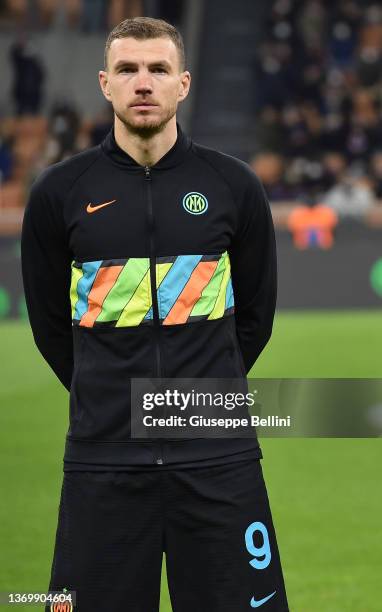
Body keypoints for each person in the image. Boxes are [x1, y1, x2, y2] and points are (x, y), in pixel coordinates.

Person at [21, 16, 289, 612]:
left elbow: (256, 318)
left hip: (219, 462)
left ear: (184, 84)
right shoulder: (58, 194)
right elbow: (48, 326)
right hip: (104, 463)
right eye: (128, 69)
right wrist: (112, 397)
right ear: (105, 84)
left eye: (158, 69)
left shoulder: (234, 185)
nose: (143, 82)